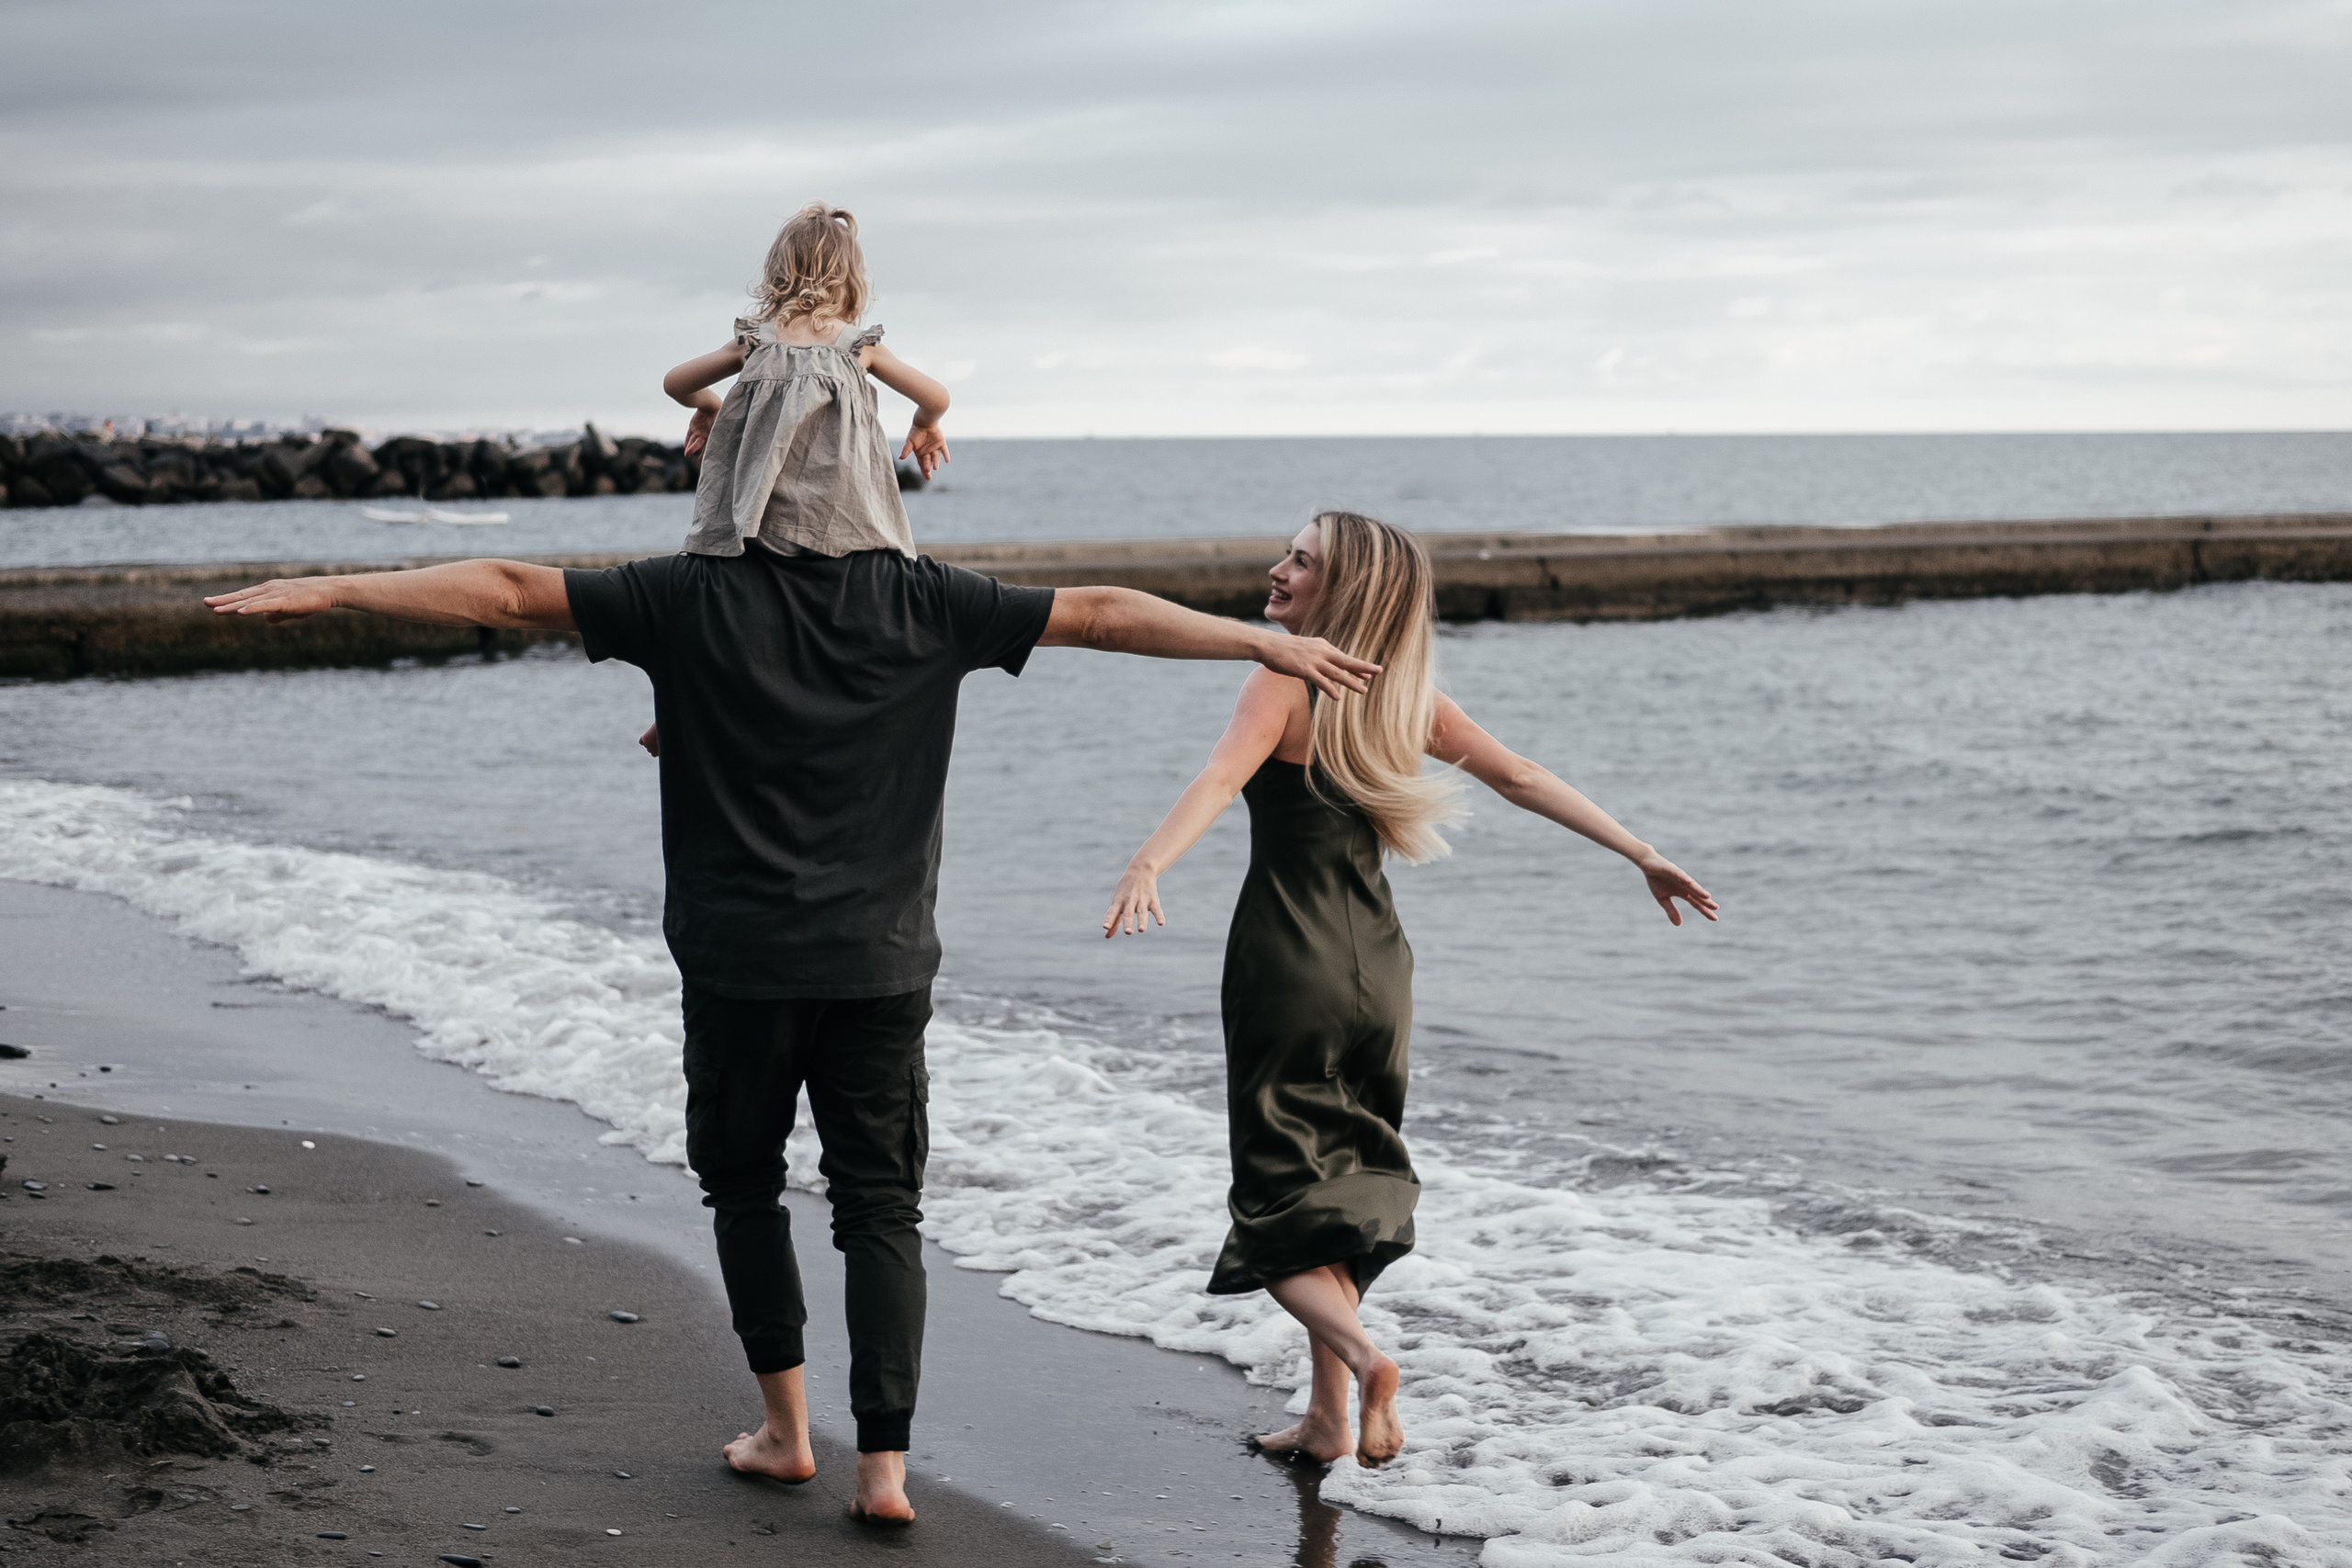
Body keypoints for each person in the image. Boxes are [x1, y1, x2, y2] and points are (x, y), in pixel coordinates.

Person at [201, 203, 1381, 1529]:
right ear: (871, 461)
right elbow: (1103, 610)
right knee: (883, 1207)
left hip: (738, 956)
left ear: (743, 447)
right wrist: (1256, 642)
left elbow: (508, 587)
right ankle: (884, 1471)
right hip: (881, 963)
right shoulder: (928, 601)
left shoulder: (687, 597)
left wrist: (333, 588)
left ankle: (784, 1429)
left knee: (747, 1183)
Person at [1101, 511, 1717, 1468]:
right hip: (1379, 970)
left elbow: (1223, 780)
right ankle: (1326, 1417)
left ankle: (1366, 1359)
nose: (1277, 569)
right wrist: (1639, 850)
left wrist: (1147, 863)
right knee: (1343, 1189)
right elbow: (1519, 775)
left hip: (1286, 962)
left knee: (1275, 1204)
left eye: (1299, 562)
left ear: (1339, 589)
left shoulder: (1278, 675)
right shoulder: (1405, 696)